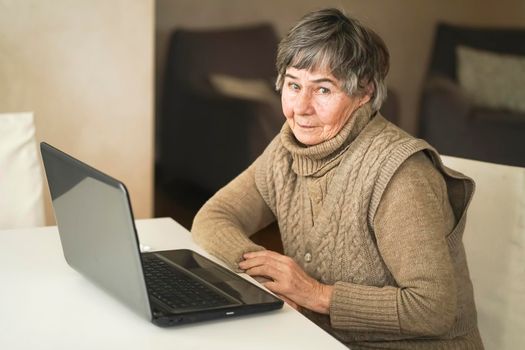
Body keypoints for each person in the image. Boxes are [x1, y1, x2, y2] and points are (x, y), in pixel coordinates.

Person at [191, 8, 484, 349]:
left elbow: (433, 309)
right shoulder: (289, 147)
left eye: (323, 90)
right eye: (293, 84)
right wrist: (265, 273)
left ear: (365, 93)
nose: (301, 107)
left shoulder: (401, 175)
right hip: (319, 339)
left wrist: (316, 294)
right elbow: (213, 217)